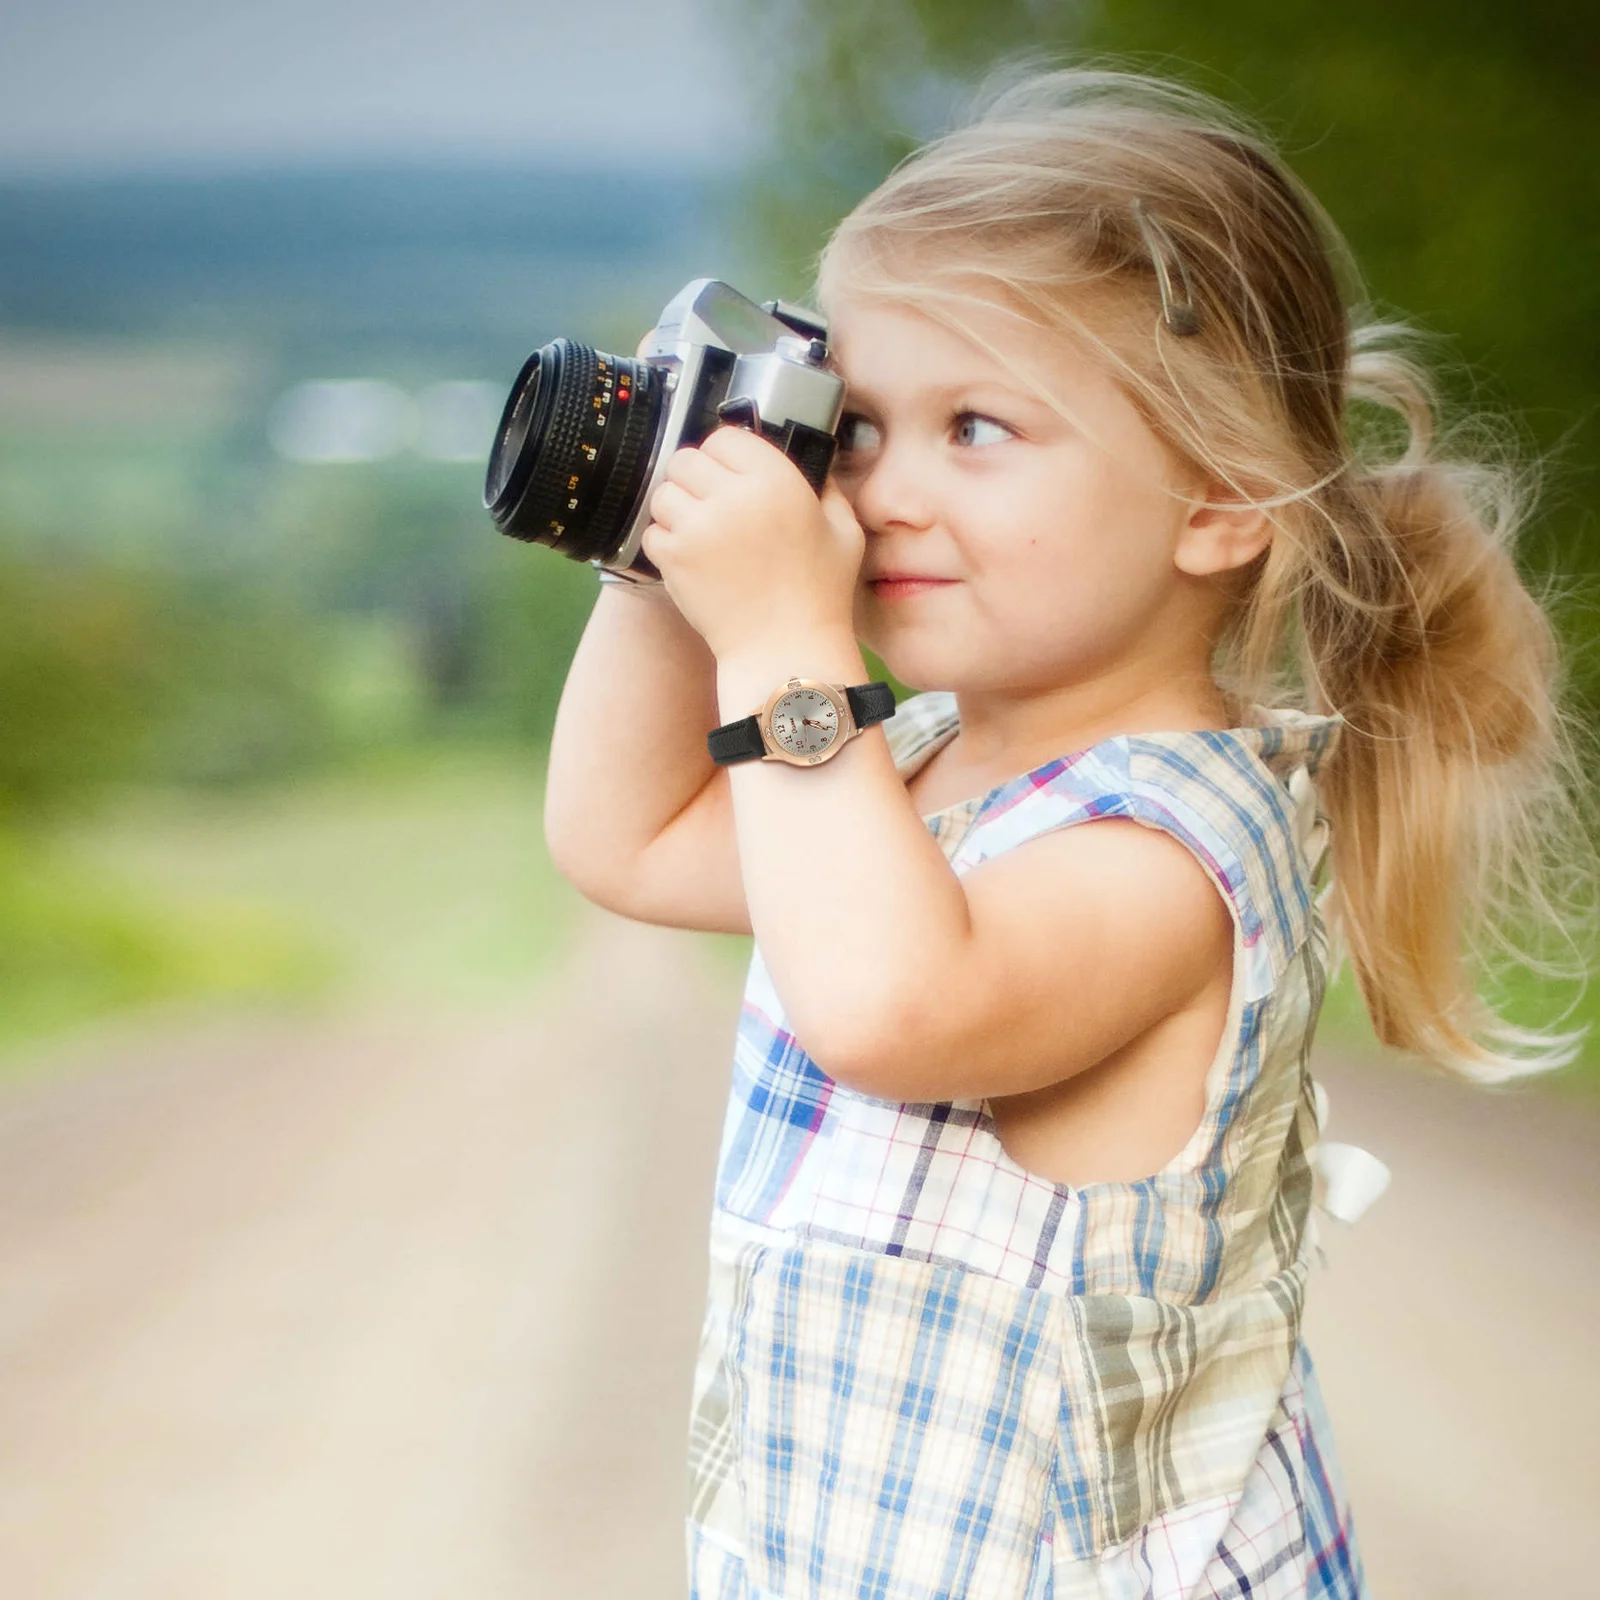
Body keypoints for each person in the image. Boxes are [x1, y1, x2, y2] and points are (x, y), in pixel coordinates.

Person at [542, 63, 1595, 1600]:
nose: (882, 492)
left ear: (1221, 501)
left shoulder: (1177, 847)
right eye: (860, 430)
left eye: (975, 427)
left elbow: (896, 1007)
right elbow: (627, 840)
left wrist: (779, 627)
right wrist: (667, 552)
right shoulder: (899, 766)